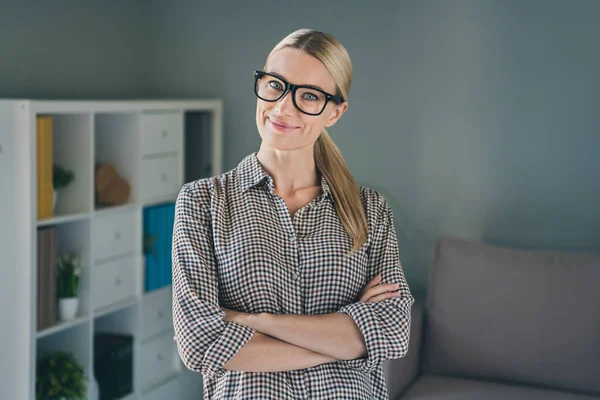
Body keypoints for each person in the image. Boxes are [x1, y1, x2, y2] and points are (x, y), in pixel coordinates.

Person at [172, 28, 414, 400]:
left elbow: (393, 332)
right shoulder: (202, 202)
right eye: (275, 85)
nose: (284, 107)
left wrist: (254, 322)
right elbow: (199, 342)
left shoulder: (370, 210)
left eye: (309, 96)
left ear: (336, 111)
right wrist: (345, 340)